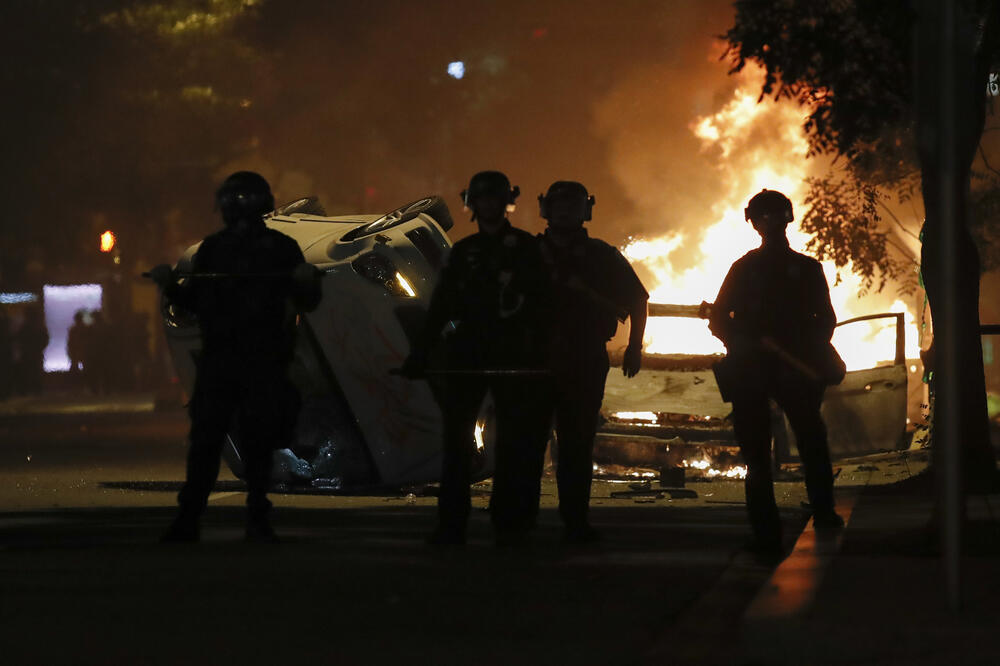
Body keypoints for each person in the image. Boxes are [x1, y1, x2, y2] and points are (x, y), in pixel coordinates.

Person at [150, 171, 322, 543]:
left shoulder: (281, 248)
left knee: (258, 442)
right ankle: (190, 518)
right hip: (223, 361)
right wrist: (169, 285)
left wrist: (308, 281)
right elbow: (194, 301)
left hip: (263, 359)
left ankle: (255, 517)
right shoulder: (213, 249)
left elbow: (307, 301)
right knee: (207, 442)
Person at [399, 170, 550, 546]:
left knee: (512, 443)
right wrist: (420, 352)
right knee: (456, 442)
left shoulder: (527, 248)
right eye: (482, 199)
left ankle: (508, 522)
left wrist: (541, 352)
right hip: (467, 353)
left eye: (494, 199)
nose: (488, 206)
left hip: (513, 352)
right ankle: (452, 524)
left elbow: (545, 305)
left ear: (505, 202)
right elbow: (441, 306)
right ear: (473, 204)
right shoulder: (464, 252)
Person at [709, 189, 844, 564]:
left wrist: (804, 350)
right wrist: (743, 345)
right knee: (759, 453)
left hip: (794, 370)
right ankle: (770, 533)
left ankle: (821, 514)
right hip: (755, 370)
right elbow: (719, 320)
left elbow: (826, 320)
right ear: (754, 221)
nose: (768, 223)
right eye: (763, 217)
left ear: (786, 218)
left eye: (773, 216)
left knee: (811, 441)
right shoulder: (744, 268)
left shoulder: (805, 268)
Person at [535, 181, 648, 543]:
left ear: (585, 210)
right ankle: (519, 518)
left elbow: (637, 299)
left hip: (584, 357)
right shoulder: (528, 253)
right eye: (559, 205)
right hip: (535, 358)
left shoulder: (601, 255)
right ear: (546, 209)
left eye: (572, 205)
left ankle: (575, 520)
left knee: (577, 443)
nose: (565, 211)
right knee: (527, 442)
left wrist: (635, 347)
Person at [67, 310, 88, 386]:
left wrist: (70, 351)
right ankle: (85, 384)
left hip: (75, 350)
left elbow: (70, 342)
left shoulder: (73, 329)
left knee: (74, 368)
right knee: (85, 368)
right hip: (83, 350)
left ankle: (74, 384)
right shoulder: (85, 328)